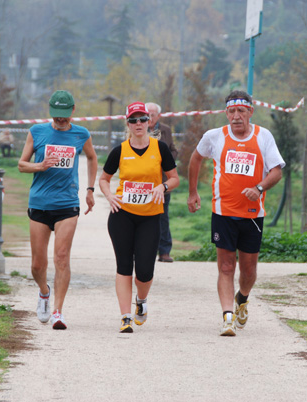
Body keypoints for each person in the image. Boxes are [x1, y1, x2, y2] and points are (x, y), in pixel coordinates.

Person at [187, 90, 285, 337]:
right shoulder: (214, 136)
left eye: (241, 111)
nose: (236, 116)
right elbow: (195, 158)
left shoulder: (263, 136)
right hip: (223, 212)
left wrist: (259, 187)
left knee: (249, 271)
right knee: (226, 266)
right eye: (231, 111)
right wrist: (193, 192)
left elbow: (276, 171)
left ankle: (243, 297)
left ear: (251, 111)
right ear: (226, 113)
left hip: (252, 215)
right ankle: (227, 318)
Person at [18, 90, 98, 330]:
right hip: (40, 204)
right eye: (57, 116)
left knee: (61, 257)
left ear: (73, 111)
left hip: (67, 204)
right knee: (37, 265)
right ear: (50, 112)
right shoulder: (37, 132)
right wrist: (39, 166)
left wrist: (90, 189)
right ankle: (44, 292)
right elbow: (21, 165)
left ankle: (58, 311)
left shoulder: (81, 134)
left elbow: (93, 158)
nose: (61, 120)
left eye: (65, 116)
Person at [99, 101, 179, 333]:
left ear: (149, 122)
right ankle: (125, 317)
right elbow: (104, 178)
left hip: (150, 217)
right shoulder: (120, 150)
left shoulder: (160, 148)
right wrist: (109, 196)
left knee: (144, 270)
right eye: (133, 120)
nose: (138, 124)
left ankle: (141, 301)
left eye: (142, 119)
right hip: (122, 215)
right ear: (128, 123)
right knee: (124, 266)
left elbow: (174, 178)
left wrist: (162, 188)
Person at [146, 102, 178, 263]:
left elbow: (173, 150)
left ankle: (164, 251)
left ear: (158, 116)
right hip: (143, 183)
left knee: (162, 217)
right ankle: (144, 250)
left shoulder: (165, 130)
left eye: (153, 114)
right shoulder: (138, 128)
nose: (150, 117)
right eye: (147, 114)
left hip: (163, 181)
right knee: (143, 218)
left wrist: (164, 161)